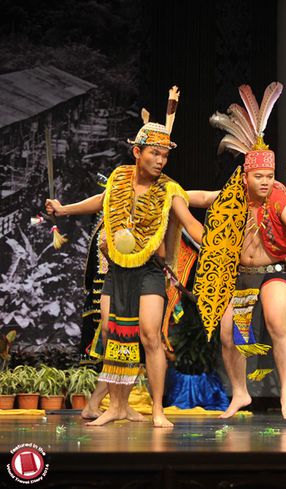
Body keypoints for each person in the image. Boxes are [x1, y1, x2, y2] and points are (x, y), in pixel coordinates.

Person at [46, 86, 204, 427]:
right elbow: (98, 202)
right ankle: (117, 406)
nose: (161, 162)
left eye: (165, 156)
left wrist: (213, 244)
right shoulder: (118, 179)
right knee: (114, 336)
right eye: (155, 155)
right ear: (137, 152)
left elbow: (191, 220)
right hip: (117, 269)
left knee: (149, 335)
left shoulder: (170, 188)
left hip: (148, 270)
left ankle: (158, 409)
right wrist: (63, 209)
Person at [195, 82, 286, 420]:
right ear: (245, 176)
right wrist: (174, 194)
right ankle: (240, 392)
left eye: (269, 175)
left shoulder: (279, 194)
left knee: (275, 323)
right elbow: (203, 198)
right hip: (240, 278)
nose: (266, 181)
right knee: (232, 335)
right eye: (259, 176)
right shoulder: (233, 197)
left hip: (273, 274)